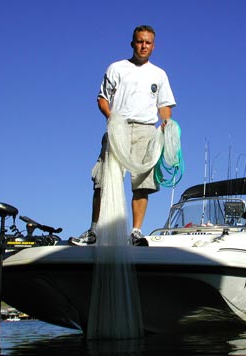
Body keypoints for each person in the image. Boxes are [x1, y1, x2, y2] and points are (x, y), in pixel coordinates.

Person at [69, 25, 176, 246]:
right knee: (103, 181)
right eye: (139, 41)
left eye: (147, 42)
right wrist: (111, 117)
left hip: (146, 131)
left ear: (153, 46)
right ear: (132, 43)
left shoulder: (159, 74)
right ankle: (94, 231)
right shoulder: (116, 68)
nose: (143, 46)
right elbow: (102, 99)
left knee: (142, 184)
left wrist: (166, 123)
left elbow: (164, 106)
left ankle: (136, 232)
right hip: (118, 128)